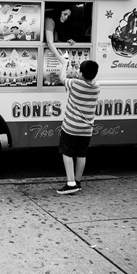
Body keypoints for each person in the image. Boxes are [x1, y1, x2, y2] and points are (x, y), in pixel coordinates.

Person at [56, 59, 100, 195]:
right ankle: (78, 181)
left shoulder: (75, 84)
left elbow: (62, 78)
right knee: (81, 154)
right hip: (86, 129)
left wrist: (64, 64)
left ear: (81, 72)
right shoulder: (97, 87)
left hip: (71, 127)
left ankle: (70, 183)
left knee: (67, 153)